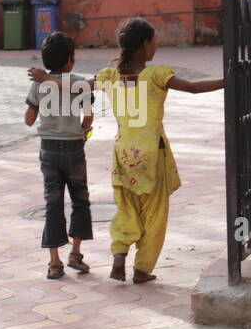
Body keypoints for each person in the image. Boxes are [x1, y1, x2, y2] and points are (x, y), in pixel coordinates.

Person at [35, 18, 222, 284]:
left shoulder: (111, 75)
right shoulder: (157, 75)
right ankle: (142, 268)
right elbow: (193, 88)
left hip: (122, 154)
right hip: (151, 154)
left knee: (126, 207)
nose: (156, 46)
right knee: (155, 213)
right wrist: (228, 80)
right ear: (145, 45)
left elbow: (78, 87)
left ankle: (120, 253)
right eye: (154, 41)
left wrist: (48, 80)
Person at [24, 31, 95, 280]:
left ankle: (54, 262)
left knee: (53, 204)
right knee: (80, 199)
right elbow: (88, 117)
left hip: (49, 150)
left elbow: (29, 119)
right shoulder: (78, 83)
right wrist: (83, 129)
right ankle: (76, 253)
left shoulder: (39, 84)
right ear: (69, 60)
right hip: (75, 148)